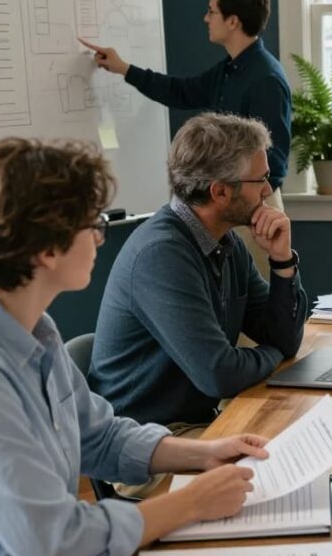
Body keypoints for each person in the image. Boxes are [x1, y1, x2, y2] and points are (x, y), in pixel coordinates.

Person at [0, 137, 266, 556]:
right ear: (48, 247)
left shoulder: (37, 331)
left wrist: (203, 453)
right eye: (92, 224)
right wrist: (191, 502)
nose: (101, 238)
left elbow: (98, 435)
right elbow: (54, 541)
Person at [89, 113, 308, 430]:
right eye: (259, 179)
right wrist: (274, 354)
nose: (267, 190)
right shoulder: (161, 255)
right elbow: (220, 374)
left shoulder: (225, 241)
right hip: (147, 444)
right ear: (220, 192)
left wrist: (282, 261)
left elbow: (284, 338)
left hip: (197, 425)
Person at [79, 0, 291, 275]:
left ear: (232, 21)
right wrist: (124, 68)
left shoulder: (265, 78)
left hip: (252, 209)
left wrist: (252, 208)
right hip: (229, 205)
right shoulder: (230, 69)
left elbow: (276, 159)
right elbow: (182, 91)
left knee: (253, 306)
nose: (206, 18)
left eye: (211, 11)